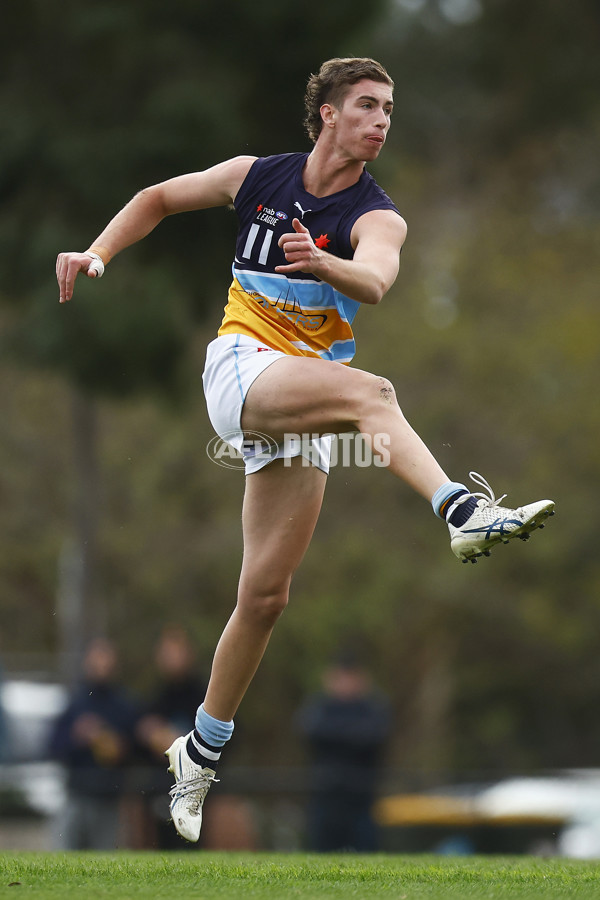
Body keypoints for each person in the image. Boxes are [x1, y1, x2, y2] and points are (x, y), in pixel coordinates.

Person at [55, 57, 555, 843]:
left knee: (265, 599)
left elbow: (379, 280)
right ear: (327, 112)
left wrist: (328, 263)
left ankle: (199, 748)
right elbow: (157, 198)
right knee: (374, 395)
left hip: (300, 402)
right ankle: (461, 508)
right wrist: (99, 253)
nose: (381, 120)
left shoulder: (377, 214)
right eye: (365, 105)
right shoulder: (259, 176)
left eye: (389, 108)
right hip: (240, 370)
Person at [48, 637, 141, 849]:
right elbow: (53, 746)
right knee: (66, 853)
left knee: (104, 857)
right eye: (97, 658)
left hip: (109, 798)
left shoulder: (124, 706)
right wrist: (77, 737)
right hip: (77, 794)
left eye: (106, 658)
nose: (101, 664)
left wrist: (119, 747)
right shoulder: (76, 703)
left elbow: (137, 749)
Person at [296, 653, 391, 852]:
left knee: (366, 850)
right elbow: (310, 731)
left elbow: (372, 737)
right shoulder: (319, 706)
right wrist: (351, 734)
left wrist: (336, 734)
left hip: (361, 793)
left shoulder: (373, 708)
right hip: (326, 792)